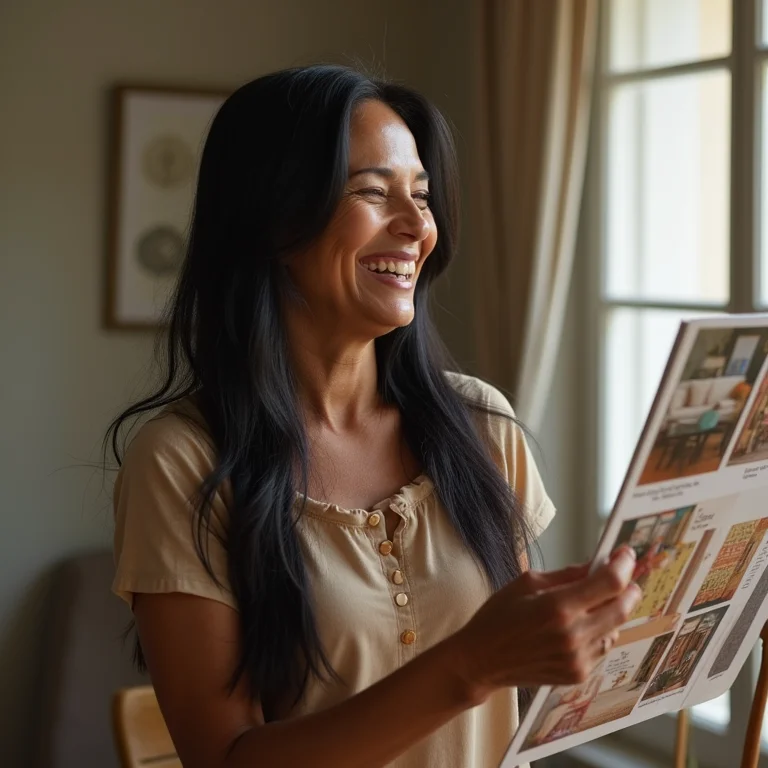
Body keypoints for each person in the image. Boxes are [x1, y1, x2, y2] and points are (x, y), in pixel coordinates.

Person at [107, 65, 641, 768]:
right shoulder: (182, 461)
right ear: (273, 216)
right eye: (372, 192)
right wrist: (469, 664)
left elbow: (531, 697)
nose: (419, 226)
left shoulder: (482, 426)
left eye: (421, 196)